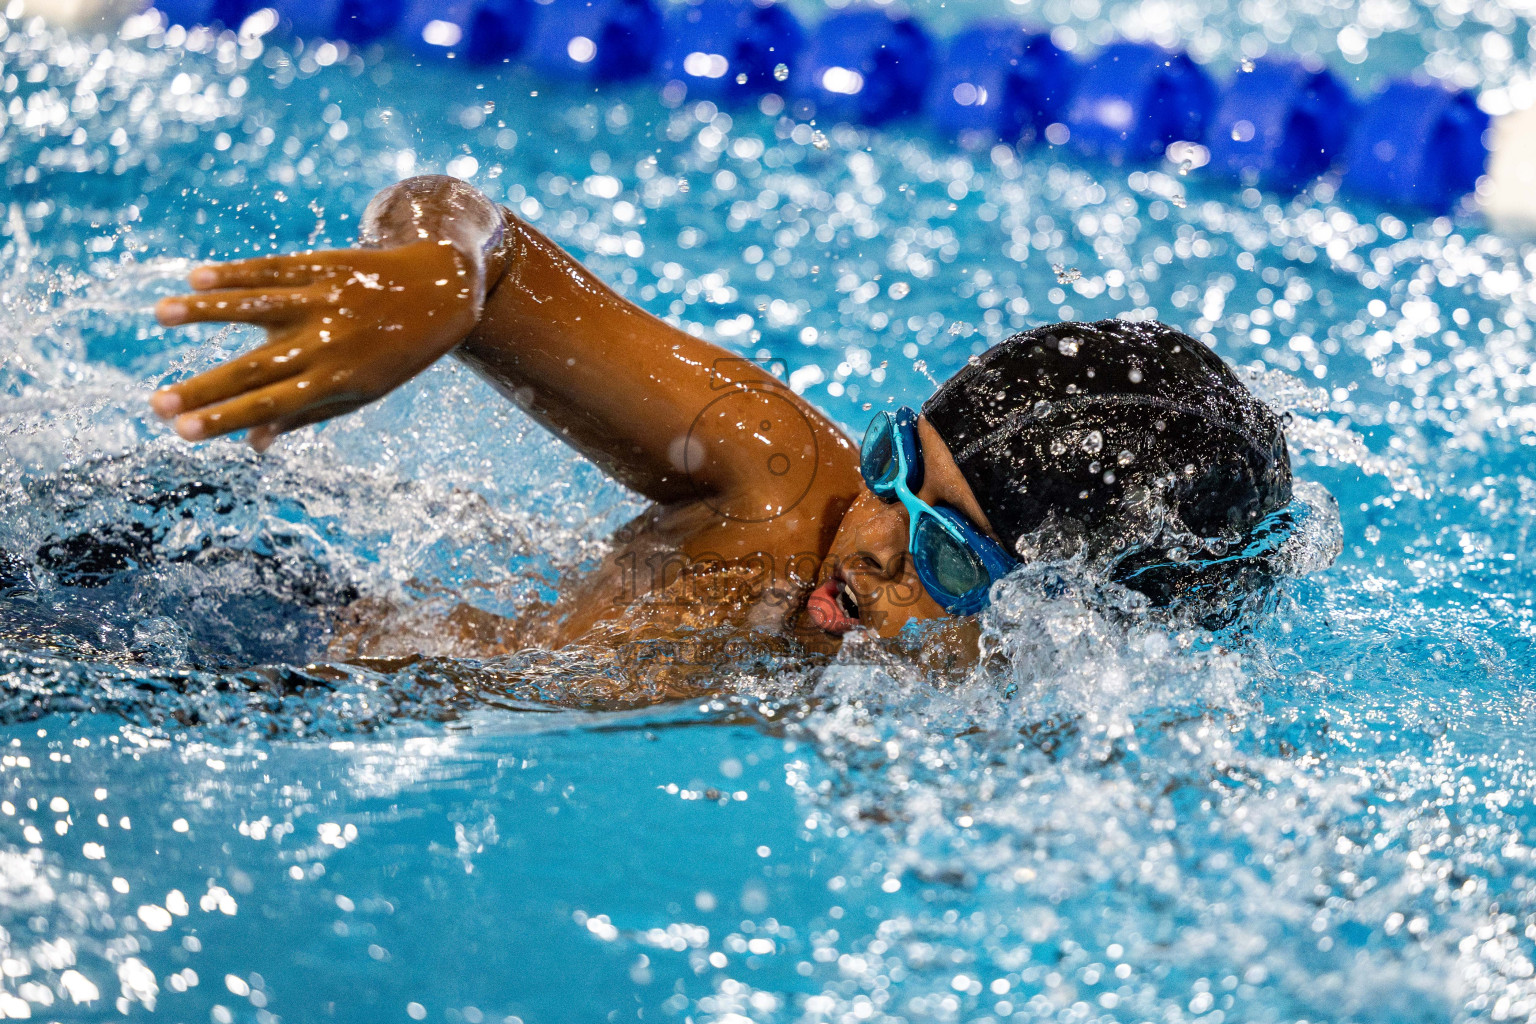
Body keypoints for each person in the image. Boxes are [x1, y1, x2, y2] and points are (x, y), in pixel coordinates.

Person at [150, 175, 1291, 658]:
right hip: (201, 629)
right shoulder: (778, 481)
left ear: (1067, 625)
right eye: (898, 463)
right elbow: (477, 235)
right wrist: (435, 278)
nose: (874, 532)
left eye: (946, 546)